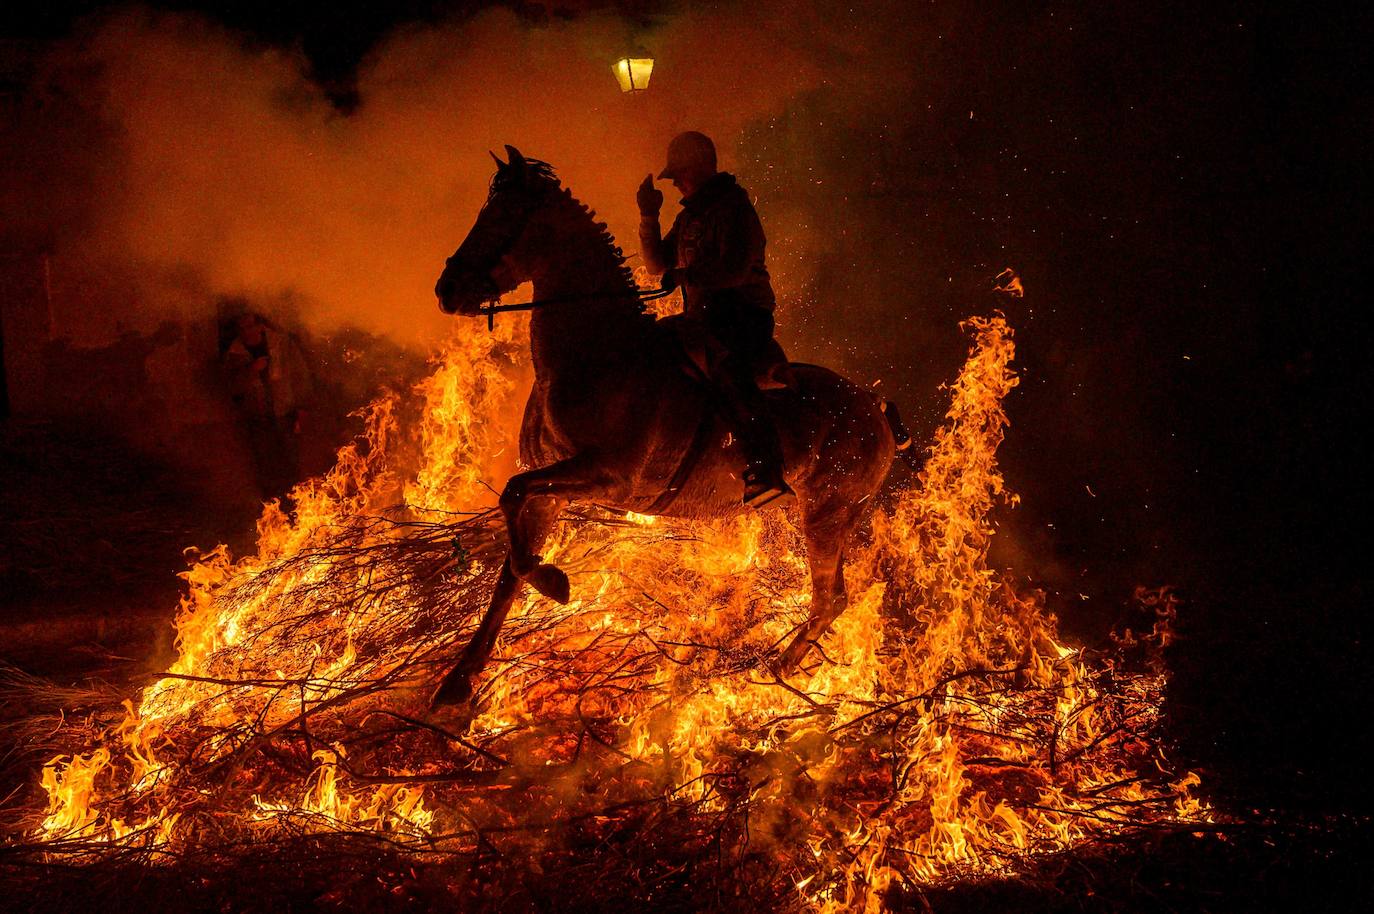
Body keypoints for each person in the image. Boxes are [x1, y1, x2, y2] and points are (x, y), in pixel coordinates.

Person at [637, 131, 793, 508]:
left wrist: (687, 277)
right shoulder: (690, 216)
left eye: (680, 174)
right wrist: (649, 215)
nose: (676, 182)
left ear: (703, 168)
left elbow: (736, 272)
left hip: (743, 316)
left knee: (727, 369)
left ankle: (766, 468)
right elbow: (658, 263)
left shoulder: (734, 209)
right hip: (701, 318)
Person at [220, 309, 313, 503]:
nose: (247, 331)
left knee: (291, 461)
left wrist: (303, 407)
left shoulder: (282, 344)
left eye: (250, 326)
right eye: (242, 328)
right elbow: (231, 387)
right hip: (257, 418)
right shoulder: (234, 354)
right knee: (265, 465)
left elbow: (300, 375)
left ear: (260, 326)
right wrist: (251, 371)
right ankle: (272, 509)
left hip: (285, 413)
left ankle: (297, 504)